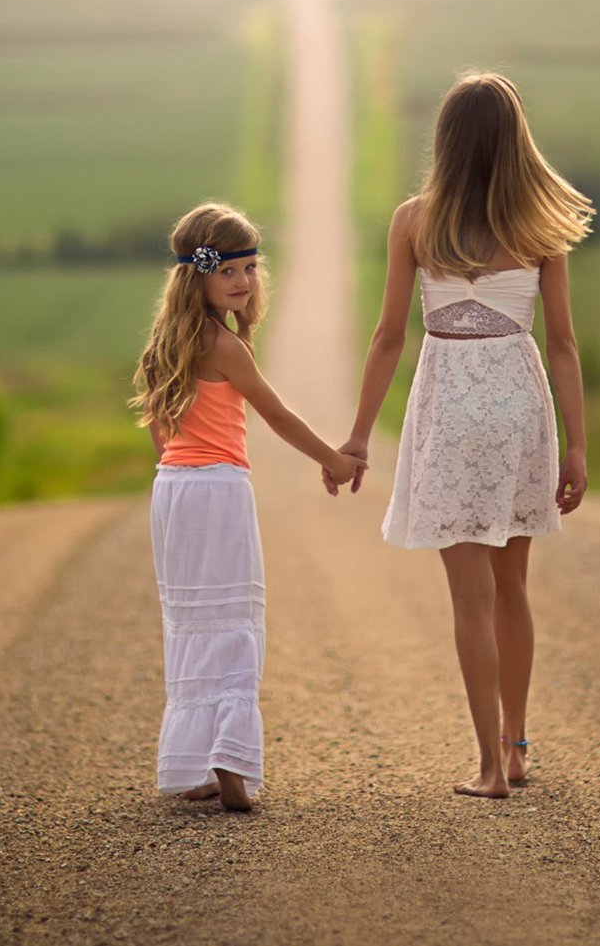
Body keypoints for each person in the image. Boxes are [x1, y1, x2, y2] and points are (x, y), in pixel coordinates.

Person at [335, 73, 592, 798]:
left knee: (469, 597)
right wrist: (577, 444)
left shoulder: (413, 220)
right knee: (513, 587)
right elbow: (565, 343)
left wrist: (358, 437)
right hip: (518, 400)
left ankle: (486, 766)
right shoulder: (540, 227)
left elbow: (389, 336)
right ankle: (516, 748)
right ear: (517, 142)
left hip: (449, 403)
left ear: (444, 141)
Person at [132, 201, 358, 812]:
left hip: (173, 492)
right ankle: (230, 765)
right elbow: (277, 414)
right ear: (196, 276)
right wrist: (333, 459)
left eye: (251, 268)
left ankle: (202, 759)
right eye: (228, 269)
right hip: (219, 490)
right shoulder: (226, 347)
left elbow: (162, 435)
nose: (243, 280)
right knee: (233, 620)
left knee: (192, 622)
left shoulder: (164, 347)